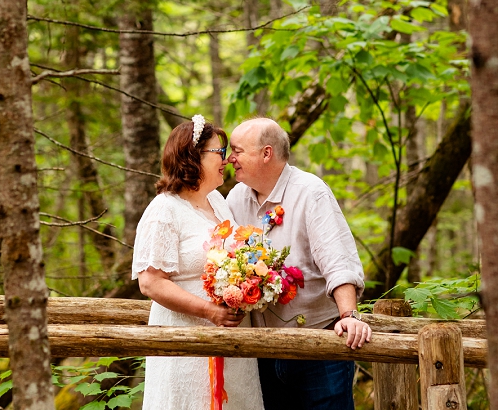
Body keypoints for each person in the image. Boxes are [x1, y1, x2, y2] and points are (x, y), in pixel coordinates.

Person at [226, 117, 371, 410]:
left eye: (237, 150)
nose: (230, 159)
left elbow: (337, 259)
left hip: (318, 348)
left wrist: (349, 314)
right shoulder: (235, 198)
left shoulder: (310, 192)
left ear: (266, 153)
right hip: (263, 351)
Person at [132, 116, 264, 410]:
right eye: (218, 152)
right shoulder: (163, 210)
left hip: (231, 342)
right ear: (193, 157)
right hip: (186, 343)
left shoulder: (218, 201)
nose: (226, 160)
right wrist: (209, 311)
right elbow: (150, 283)